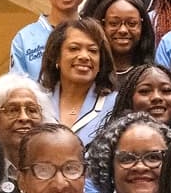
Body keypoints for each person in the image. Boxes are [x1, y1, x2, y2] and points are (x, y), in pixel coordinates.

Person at [36, 18, 116, 148]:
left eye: (92, 50)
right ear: (56, 56)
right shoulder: (37, 102)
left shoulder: (116, 105)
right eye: (74, 48)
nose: (84, 56)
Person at [108, 62, 171, 138]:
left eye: (166, 90)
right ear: (129, 101)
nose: (156, 97)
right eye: (145, 91)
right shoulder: (113, 150)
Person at [91, 0, 156, 86]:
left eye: (132, 23)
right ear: (101, 25)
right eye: (114, 23)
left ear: (143, 27)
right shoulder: (89, 73)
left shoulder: (152, 76)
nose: (123, 30)